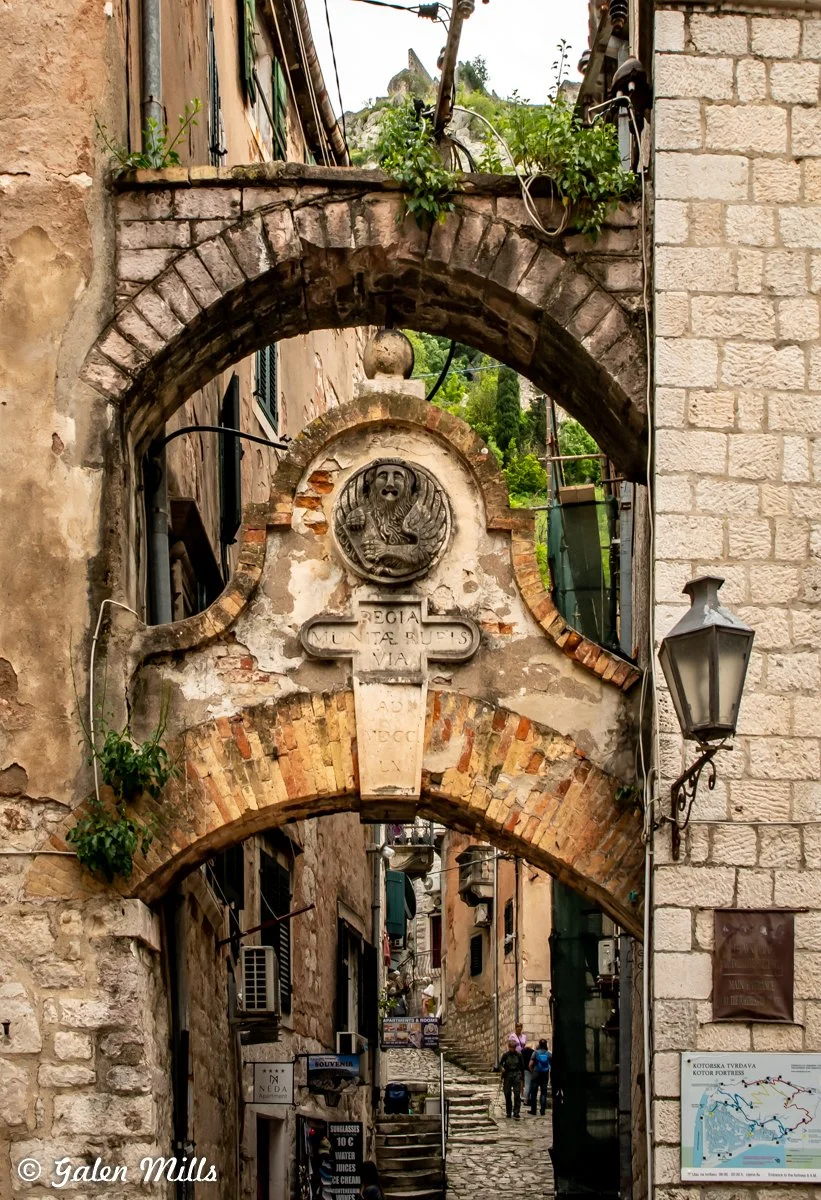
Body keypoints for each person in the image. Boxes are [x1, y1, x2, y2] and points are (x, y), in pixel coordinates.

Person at [499, 1034, 525, 1119]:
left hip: (516, 1074)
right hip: (508, 1075)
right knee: (507, 1093)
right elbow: (500, 1064)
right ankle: (508, 1112)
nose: (512, 1049)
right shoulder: (505, 1055)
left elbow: (522, 1066)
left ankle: (516, 1112)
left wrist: (521, 1078)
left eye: (513, 1048)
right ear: (508, 1047)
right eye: (511, 1047)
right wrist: (502, 1068)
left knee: (517, 1094)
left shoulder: (519, 1055)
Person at [528, 1038, 551, 1115]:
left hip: (536, 1073)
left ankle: (533, 1110)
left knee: (534, 1093)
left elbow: (530, 1064)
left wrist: (532, 1071)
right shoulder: (549, 1054)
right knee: (544, 1093)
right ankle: (542, 1110)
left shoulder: (535, 1053)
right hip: (545, 1074)